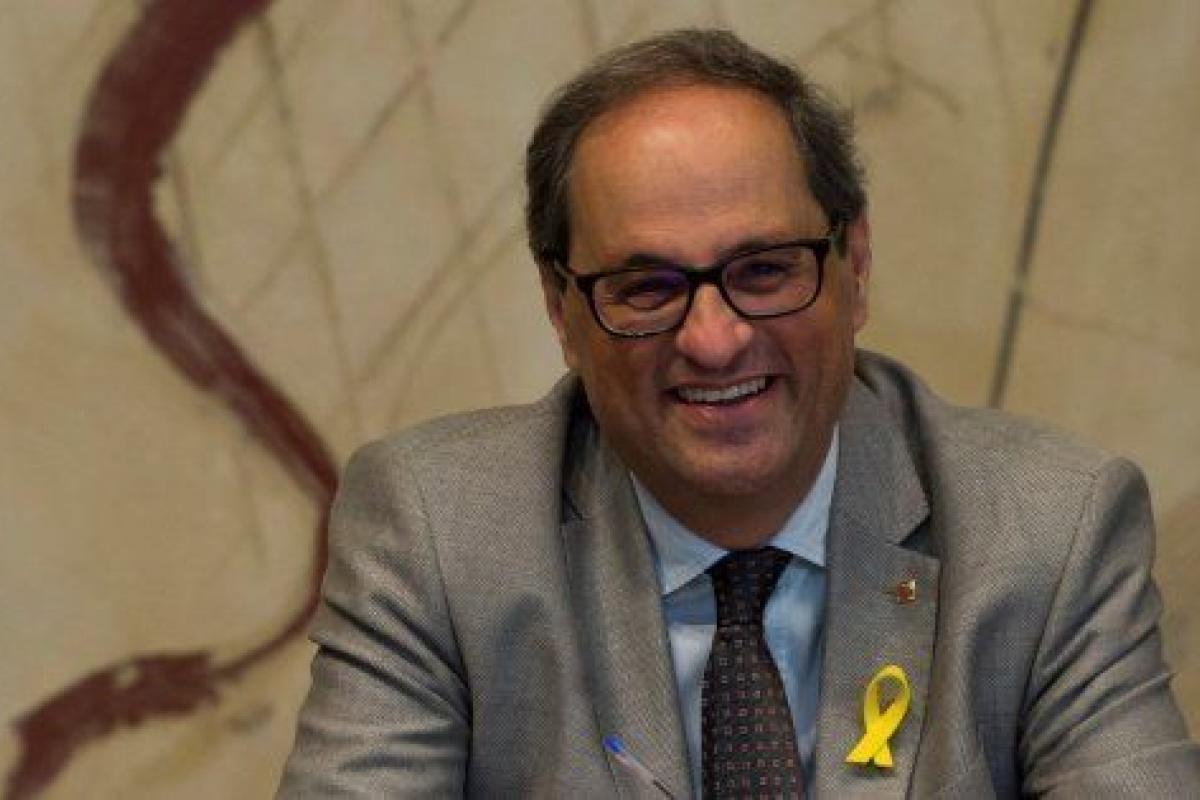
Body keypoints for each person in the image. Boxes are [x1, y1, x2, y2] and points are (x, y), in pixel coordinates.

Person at [277, 29, 1199, 798]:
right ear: (561, 309)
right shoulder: (439, 533)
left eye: (763, 271)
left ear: (855, 267)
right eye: (647, 286)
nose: (714, 341)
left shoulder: (1048, 529)